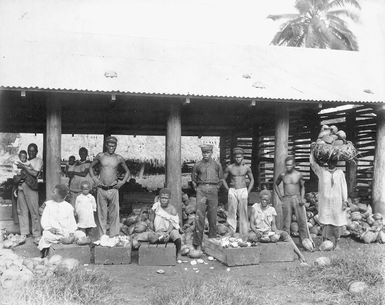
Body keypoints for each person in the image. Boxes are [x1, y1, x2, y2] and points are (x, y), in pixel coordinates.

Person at [248, 190, 306, 262]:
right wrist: (256, 231)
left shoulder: (272, 209)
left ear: (269, 201)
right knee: (251, 236)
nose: (264, 201)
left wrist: (276, 231)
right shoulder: (255, 208)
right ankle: (266, 239)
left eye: (266, 200)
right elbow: (251, 225)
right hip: (257, 232)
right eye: (263, 199)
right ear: (260, 199)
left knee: (285, 234)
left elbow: (273, 226)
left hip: (268, 232)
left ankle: (300, 255)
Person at [89, 136, 130, 237]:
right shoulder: (100, 156)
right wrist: (95, 179)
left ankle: (114, 235)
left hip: (113, 189)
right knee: (101, 214)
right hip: (101, 188)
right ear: (106, 145)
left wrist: (122, 182)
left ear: (116, 146)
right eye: (110, 145)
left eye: (114, 146)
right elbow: (91, 167)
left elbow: (127, 171)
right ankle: (102, 236)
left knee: (114, 214)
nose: (112, 147)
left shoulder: (118, 158)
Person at [310, 150, 348, 249]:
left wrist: (345, 201)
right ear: (327, 162)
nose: (332, 163)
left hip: (337, 202)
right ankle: (324, 242)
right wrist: (312, 151)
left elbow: (344, 187)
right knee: (325, 222)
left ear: (337, 162)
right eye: (330, 161)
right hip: (325, 202)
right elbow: (313, 164)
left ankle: (337, 243)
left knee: (337, 222)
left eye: (334, 161)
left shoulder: (340, 173)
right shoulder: (322, 172)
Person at [191, 144, 223, 251]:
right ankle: (197, 243)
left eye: (208, 152)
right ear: (202, 153)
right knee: (199, 216)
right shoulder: (198, 165)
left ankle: (212, 242)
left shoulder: (217, 165)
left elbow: (221, 179)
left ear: (211, 153)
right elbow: (193, 179)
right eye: (204, 153)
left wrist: (216, 188)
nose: (206, 154)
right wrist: (199, 189)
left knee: (212, 216)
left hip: (213, 190)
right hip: (201, 190)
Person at [274, 156, 310, 243]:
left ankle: (304, 242)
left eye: (290, 165)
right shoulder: (283, 175)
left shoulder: (298, 174)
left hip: (297, 198)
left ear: (293, 165)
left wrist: (302, 198)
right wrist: (280, 196)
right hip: (286, 199)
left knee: (301, 221)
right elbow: (275, 184)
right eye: (286, 165)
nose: (288, 167)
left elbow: (302, 187)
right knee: (286, 222)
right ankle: (287, 242)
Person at [222, 147, 254, 239]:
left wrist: (248, 191)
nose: (238, 159)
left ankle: (244, 232)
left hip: (243, 189)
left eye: (240, 157)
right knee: (232, 211)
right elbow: (223, 179)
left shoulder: (246, 168)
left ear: (243, 157)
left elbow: (252, 180)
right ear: (234, 158)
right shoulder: (230, 167)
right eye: (236, 157)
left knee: (243, 211)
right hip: (233, 190)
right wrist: (228, 189)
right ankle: (231, 231)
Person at [38, 184, 77, 258]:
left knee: (71, 235)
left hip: (64, 232)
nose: (51, 193)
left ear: (59, 195)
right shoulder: (49, 205)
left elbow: (72, 222)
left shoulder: (68, 207)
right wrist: (49, 228)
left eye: (53, 192)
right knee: (46, 235)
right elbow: (44, 219)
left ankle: (63, 239)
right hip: (52, 232)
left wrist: (71, 233)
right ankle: (60, 240)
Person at [17, 143, 43, 244]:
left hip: (31, 186)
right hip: (21, 185)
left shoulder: (38, 161)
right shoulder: (25, 160)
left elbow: (35, 173)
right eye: (29, 150)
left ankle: (36, 234)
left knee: (34, 210)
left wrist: (23, 167)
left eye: (33, 150)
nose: (31, 152)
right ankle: (24, 233)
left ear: (36, 151)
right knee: (22, 210)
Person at [149, 188, 182, 259]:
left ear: (169, 199)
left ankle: (177, 253)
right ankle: (162, 239)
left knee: (176, 235)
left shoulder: (172, 209)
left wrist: (167, 233)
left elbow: (172, 224)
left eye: (166, 198)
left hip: (169, 232)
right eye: (162, 198)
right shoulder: (156, 206)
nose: (164, 200)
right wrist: (152, 228)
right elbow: (151, 220)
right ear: (159, 198)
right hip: (158, 232)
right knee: (151, 237)